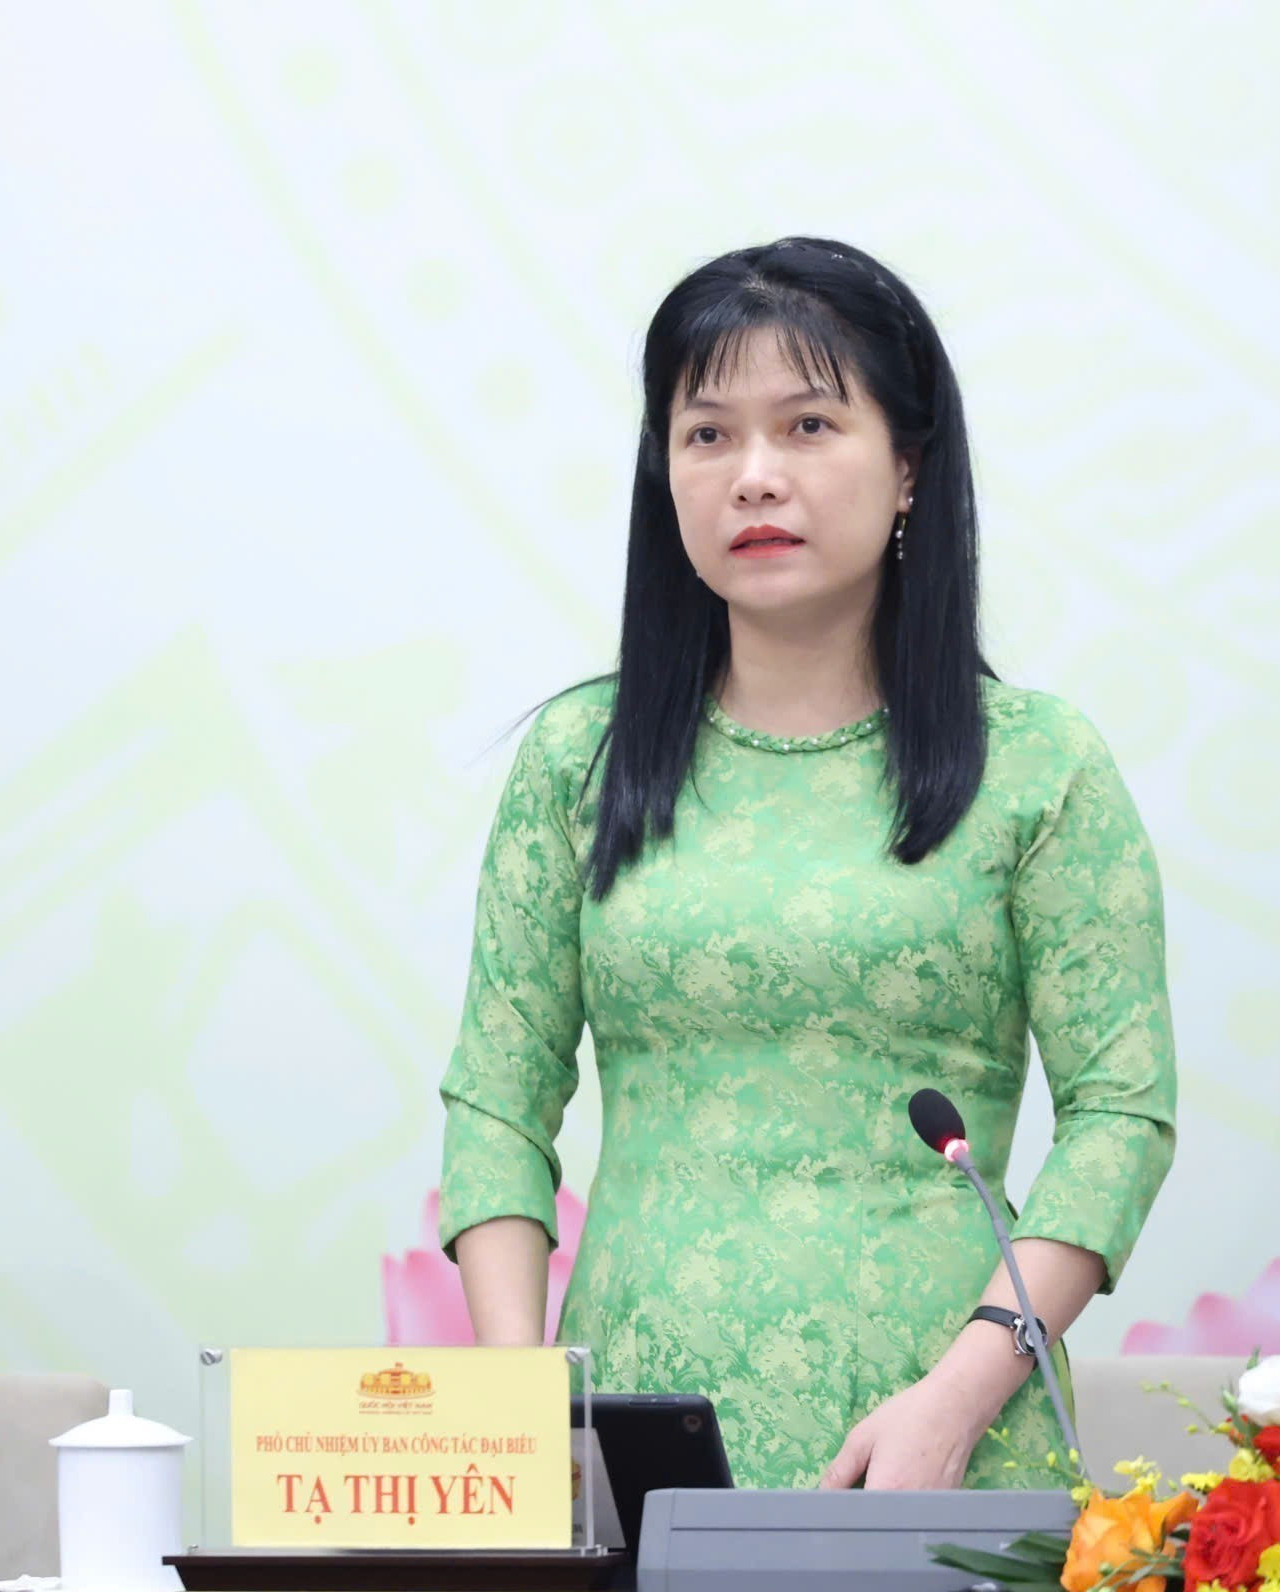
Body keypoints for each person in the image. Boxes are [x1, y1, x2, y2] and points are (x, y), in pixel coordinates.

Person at [437, 238, 1175, 1492]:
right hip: (633, 1441)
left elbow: (1120, 1115)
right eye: (707, 434)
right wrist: (519, 1406)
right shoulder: (582, 757)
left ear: (908, 470)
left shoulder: (1039, 766)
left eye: (808, 424)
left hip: (940, 1443)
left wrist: (957, 1396)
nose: (753, 476)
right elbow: (496, 1106)